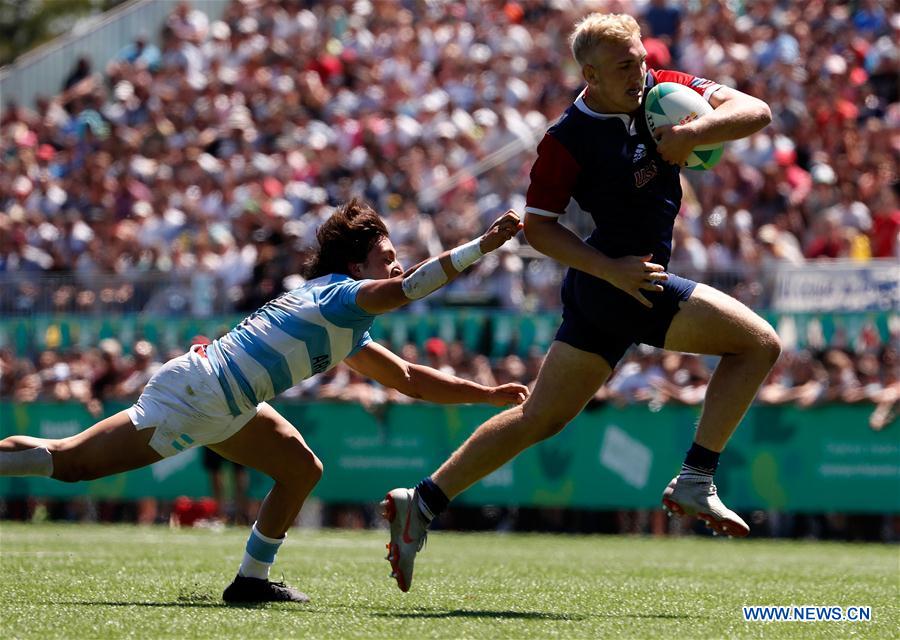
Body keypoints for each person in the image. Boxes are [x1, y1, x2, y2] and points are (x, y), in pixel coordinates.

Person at [381, 12, 781, 593]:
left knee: (540, 417)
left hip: (612, 289)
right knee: (757, 344)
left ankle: (421, 501)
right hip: (624, 281)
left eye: (642, 58)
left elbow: (757, 111)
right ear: (589, 74)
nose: (640, 71)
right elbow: (539, 228)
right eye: (625, 65)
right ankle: (697, 476)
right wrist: (610, 270)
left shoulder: (664, 89)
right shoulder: (567, 137)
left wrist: (696, 133)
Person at [0, 199, 526, 604]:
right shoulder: (340, 294)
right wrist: (481, 245)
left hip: (226, 405)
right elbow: (409, 290)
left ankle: (251, 581)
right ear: (355, 265)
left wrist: (485, 394)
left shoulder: (348, 321)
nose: (396, 267)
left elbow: (409, 377)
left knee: (301, 470)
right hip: (199, 393)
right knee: (68, 465)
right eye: (386, 259)